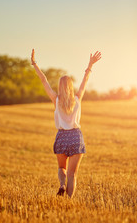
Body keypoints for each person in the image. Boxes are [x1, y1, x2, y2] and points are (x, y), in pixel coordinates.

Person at [31, 49, 101, 198]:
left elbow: (44, 80)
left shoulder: (56, 100)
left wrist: (35, 64)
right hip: (76, 137)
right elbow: (86, 79)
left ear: (60, 87)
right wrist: (90, 65)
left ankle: (62, 185)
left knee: (61, 168)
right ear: (70, 87)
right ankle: (68, 202)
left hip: (62, 137)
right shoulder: (77, 98)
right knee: (72, 174)